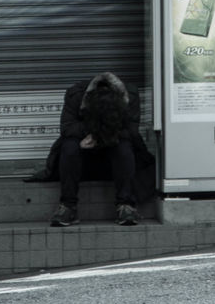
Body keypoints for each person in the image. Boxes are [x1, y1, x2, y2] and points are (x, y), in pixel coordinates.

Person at [28, 71, 155, 227]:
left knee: (124, 147)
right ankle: (68, 206)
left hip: (114, 155)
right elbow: (67, 128)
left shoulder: (130, 96)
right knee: (70, 147)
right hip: (85, 156)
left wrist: (104, 134)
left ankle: (126, 205)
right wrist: (93, 133)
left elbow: (131, 131)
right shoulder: (76, 95)